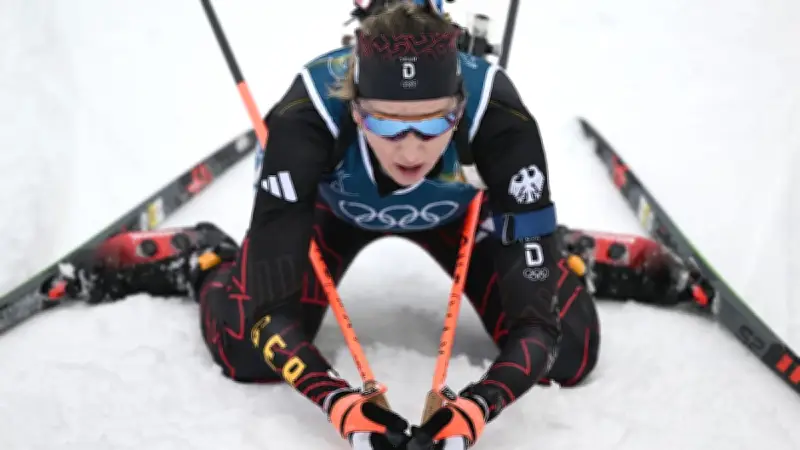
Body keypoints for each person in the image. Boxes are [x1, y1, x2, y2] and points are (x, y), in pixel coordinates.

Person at [43, 2, 716, 449]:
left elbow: (539, 332)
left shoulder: (498, 113)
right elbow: (271, 317)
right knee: (244, 351)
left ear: (460, 108)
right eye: (390, 125)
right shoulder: (308, 114)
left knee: (570, 352)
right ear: (356, 108)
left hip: (464, 220)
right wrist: (338, 403)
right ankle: (206, 259)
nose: (412, 148)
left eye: (435, 124)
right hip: (331, 218)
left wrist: (477, 408)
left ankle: (556, 244)